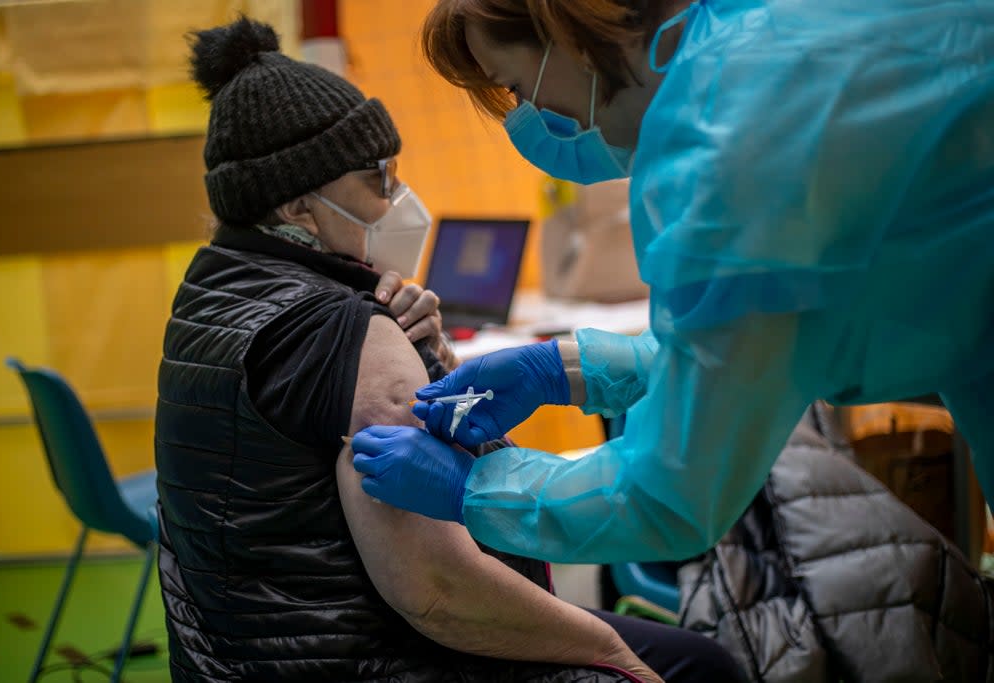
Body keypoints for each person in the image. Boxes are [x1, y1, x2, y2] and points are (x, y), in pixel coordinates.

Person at [154, 16, 746, 683]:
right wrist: (608, 649)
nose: (401, 197)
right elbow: (436, 589)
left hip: (235, 658)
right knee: (699, 665)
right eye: (379, 179)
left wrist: (451, 361)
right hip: (367, 657)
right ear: (297, 206)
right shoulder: (342, 328)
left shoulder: (214, 288)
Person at [351, 0, 994, 565]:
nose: (534, 118)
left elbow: (670, 496)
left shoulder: (729, 145)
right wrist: (569, 369)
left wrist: (474, 488)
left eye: (517, 87)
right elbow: (757, 347)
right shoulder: (769, 34)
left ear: (568, 28)